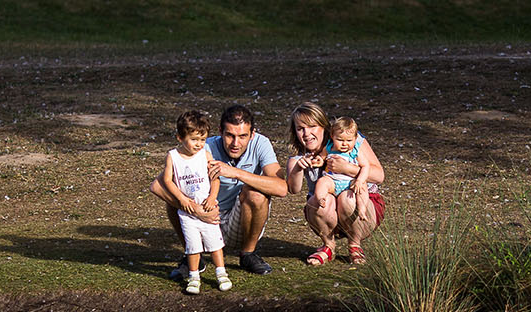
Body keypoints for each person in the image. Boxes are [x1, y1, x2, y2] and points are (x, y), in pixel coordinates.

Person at [214, 101, 384, 266]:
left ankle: (355, 245)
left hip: (362, 206)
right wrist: (296, 170)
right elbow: (292, 190)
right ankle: (328, 246)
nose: (306, 133)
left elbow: (379, 175)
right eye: (300, 129)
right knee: (317, 201)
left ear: (325, 127)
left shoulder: (348, 139)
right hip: (330, 211)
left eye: (312, 126)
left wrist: (347, 168)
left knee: (347, 199)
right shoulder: (299, 158)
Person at [148, 103, 280, 279]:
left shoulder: (261, 144)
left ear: (252, 134)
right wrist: (196, 210)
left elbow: (281, 188)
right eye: (230, 135)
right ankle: (193, 256)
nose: (235, 143)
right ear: (220, 132)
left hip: (239, 220)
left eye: (242, 136)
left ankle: (248, 254)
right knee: (175, 194)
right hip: (204, 215)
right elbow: (157, 185)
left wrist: (236, 173)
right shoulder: (203, 146)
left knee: (256, 194)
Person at [160, 109, 231, 294]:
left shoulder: (205, 155)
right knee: (192, 246)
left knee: (215, 243)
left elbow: (215, 178)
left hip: (208, 207)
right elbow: (167, 180)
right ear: (180, 137)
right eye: (194, 140)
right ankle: (194, 276)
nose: (199, 144)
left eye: (202, 139)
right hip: (187, 212)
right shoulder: (173, 156)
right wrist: (181, 198)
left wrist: (212, 197)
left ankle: (221, 273)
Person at [311, 116, 370, 207]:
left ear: (355, 138)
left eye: (349, 140)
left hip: (350, 182)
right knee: (322, 182)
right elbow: (322, 157)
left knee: (362, 187)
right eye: (340, 140)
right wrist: (319, 161)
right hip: (332, 181)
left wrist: (359, 180)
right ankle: (321, 198)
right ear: (332, 136)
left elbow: (366, 166)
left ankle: (362, 208)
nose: (344, 144)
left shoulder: (355, 151)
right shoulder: (329, 148)